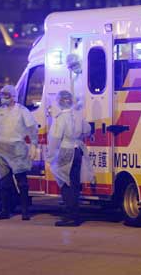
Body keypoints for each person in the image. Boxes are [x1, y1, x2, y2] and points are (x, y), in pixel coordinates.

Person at [0, 84, 38, 221]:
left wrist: (33, 144)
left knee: (22, 182)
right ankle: (5, 211)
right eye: (2, 95)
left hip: (17, 149)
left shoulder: (22, 111)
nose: (3, 98)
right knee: (4, 182)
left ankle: (25, 211)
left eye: (6, 95)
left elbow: (32, 128)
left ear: (14, 97)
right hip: (0, 150)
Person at [47, 90, 92, 227]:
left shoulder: (60, 118)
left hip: (65, 151)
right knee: (74, 183)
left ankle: (70, 216)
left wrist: (50, 156)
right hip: (78, 150)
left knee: (66, 184)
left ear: (59, 101)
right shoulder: (77, 116)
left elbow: (55, 138)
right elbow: (87, 129)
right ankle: (75, 215)